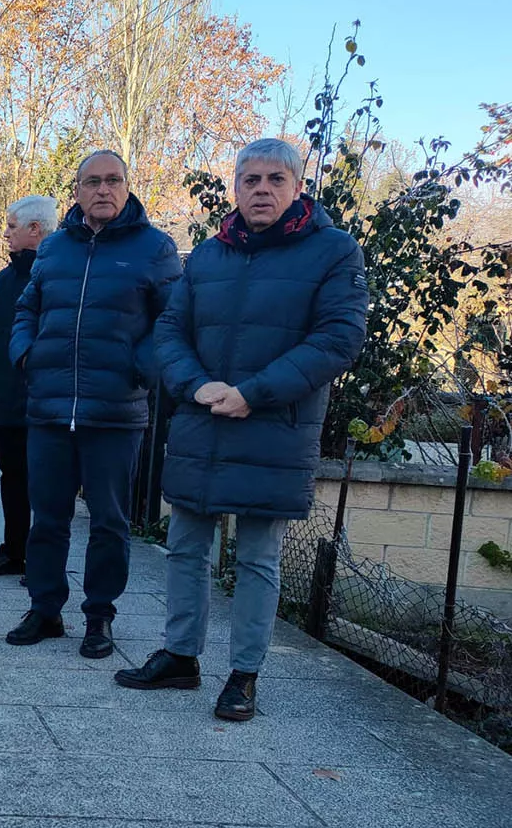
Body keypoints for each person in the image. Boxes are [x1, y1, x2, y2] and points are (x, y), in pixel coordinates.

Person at [115, 138, 367, 720]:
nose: (262, 189)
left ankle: (244, 673)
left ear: (298, 187)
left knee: (256, 557)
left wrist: (252, 393)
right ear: (235, 186)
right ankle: (180, 655)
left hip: (274, 426)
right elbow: (171, 330)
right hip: (203, 418)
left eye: (276, 179)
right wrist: (195, 385)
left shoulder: (333, 252)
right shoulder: (207, 256)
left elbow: (337, 339)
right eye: (250, 179)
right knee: (184, 547)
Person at [6, 150, 182, 657]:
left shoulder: (155, 248)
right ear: (77, 190)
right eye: (92, 182)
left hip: (115, 411)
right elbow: (27, 308)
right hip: (50, 406)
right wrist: (26, 354)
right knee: (48, 517)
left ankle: (99, 616)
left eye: (113, 181)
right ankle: (44, 608)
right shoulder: (54, 248)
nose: (103, 190)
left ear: (127, 187)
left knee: (109, 521)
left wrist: (139, 368)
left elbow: (171, 322)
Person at [0, 195, 58, 579]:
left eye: (11, 226)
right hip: (6, 398)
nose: (5, 233)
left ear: (35, 229)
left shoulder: (58, 273)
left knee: (46, 485)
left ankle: (41, 559)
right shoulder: (4, 279)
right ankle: (14, 550)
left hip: (44, 399)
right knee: (12, 478)